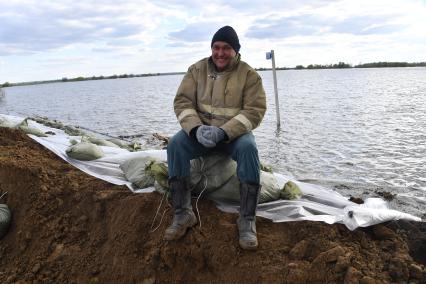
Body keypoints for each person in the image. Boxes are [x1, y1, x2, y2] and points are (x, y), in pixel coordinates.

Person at [164, 25, 267, 250]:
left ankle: (247, 219)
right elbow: (182, 102)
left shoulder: (249, 75)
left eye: (226, 48)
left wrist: (224, 132)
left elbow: (254, 111)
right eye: (216, 47)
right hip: (200, 135)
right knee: (175, 145)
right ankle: (182, 213)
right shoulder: (196, 70)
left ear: (236, 51)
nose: (220, 53)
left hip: (233, 138)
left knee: (249, 148)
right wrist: (195, 129)